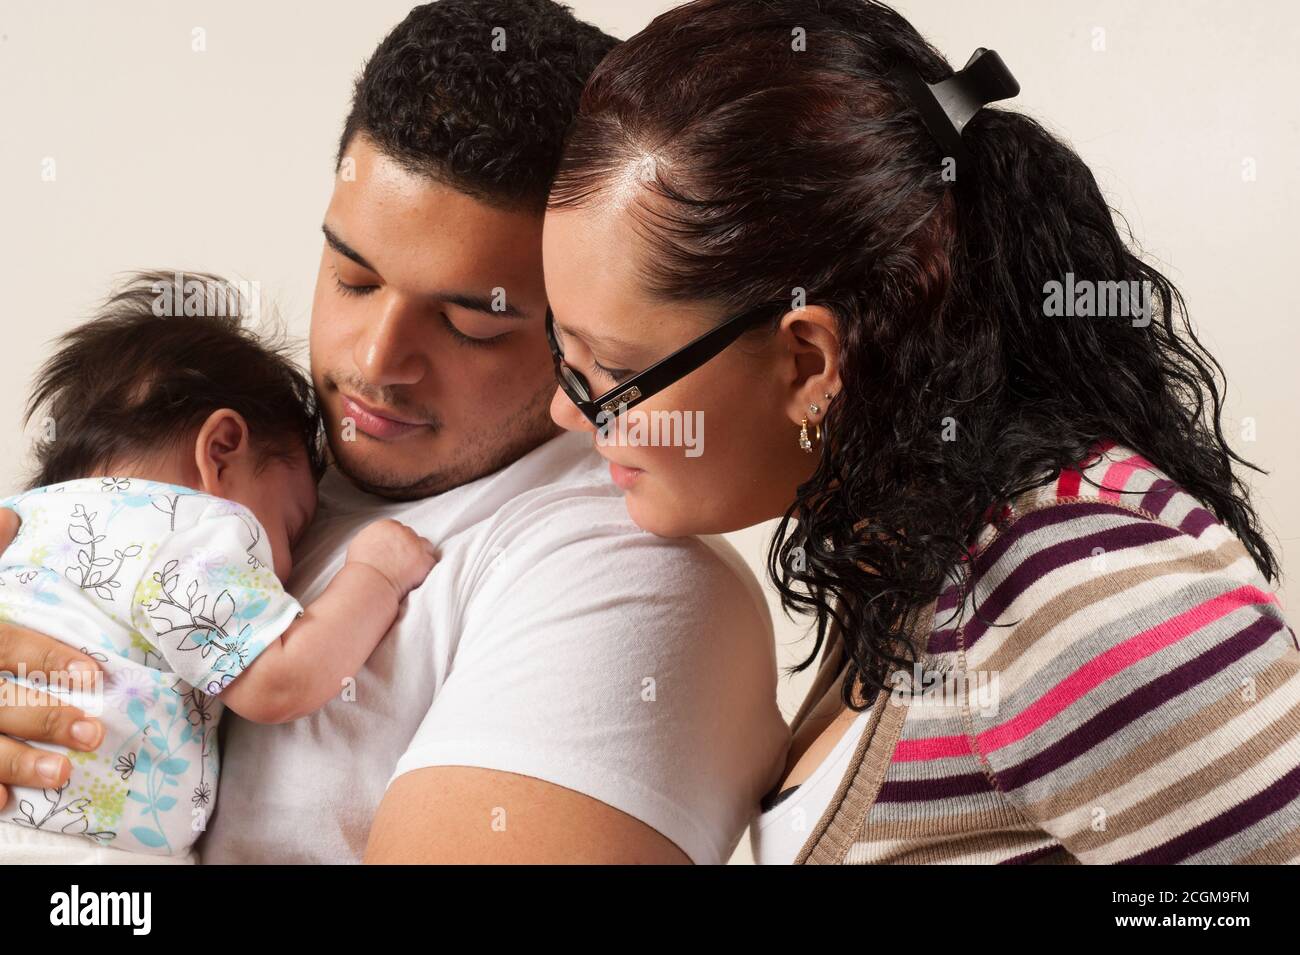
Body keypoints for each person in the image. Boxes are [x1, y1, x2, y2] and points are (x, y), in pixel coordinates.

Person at [0, 0, 789, 865]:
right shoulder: (237, 464)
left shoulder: (621, 576)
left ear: (580, 317)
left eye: (469, 325)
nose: (378, 362)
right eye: (353, 278)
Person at [542, 0, 1300, 863]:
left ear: (807, 364)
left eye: (609, 371)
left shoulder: (1071, 595)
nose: (569, 409)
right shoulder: (911, 552)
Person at [0, 274, 436, 863]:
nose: (283, 573)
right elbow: (280, 683)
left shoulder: (27, 522)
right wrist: (377, 575)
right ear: (221, 450)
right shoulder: (186, 528)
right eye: (290, 528)